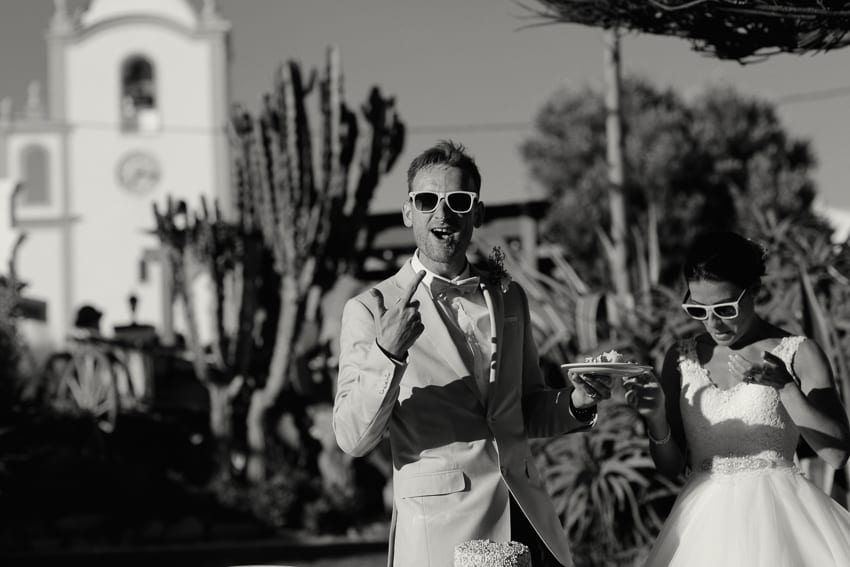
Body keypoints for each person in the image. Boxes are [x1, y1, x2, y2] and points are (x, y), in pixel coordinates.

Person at [333, 140, 612, 567]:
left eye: (458, 201)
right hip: (440, 534)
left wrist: (578, 401)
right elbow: (352, 438)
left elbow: (525, 408)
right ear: (408, 212)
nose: (442, 214)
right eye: (427, 201)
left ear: (477, 214)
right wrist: (388, 352)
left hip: (525, 521)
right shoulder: (370, 309)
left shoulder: (509, 297)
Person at [623, 230, 850, 567]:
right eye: (698, 310)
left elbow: (837, 454)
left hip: (782, 524)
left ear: (754, 290)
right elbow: (670, 467)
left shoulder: (799, 353)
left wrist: (785, 387)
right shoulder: (681, 358)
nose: (713, 322)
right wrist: (656, 419)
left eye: (725, 308)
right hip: (702, 530)